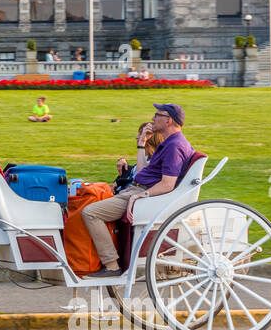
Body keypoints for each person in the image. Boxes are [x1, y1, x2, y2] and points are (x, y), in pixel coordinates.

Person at [80, 103, 194, 277]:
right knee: (91, 199)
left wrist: (140, 195)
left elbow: (168, 184)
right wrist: (142, 143)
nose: (153, 118)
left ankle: (111, 265)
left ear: (169, 120)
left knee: (90, 212)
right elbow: (140, 173)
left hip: (139, 194)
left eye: (157, 114)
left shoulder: (174, 146)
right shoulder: (169, 143)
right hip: (134, 189)